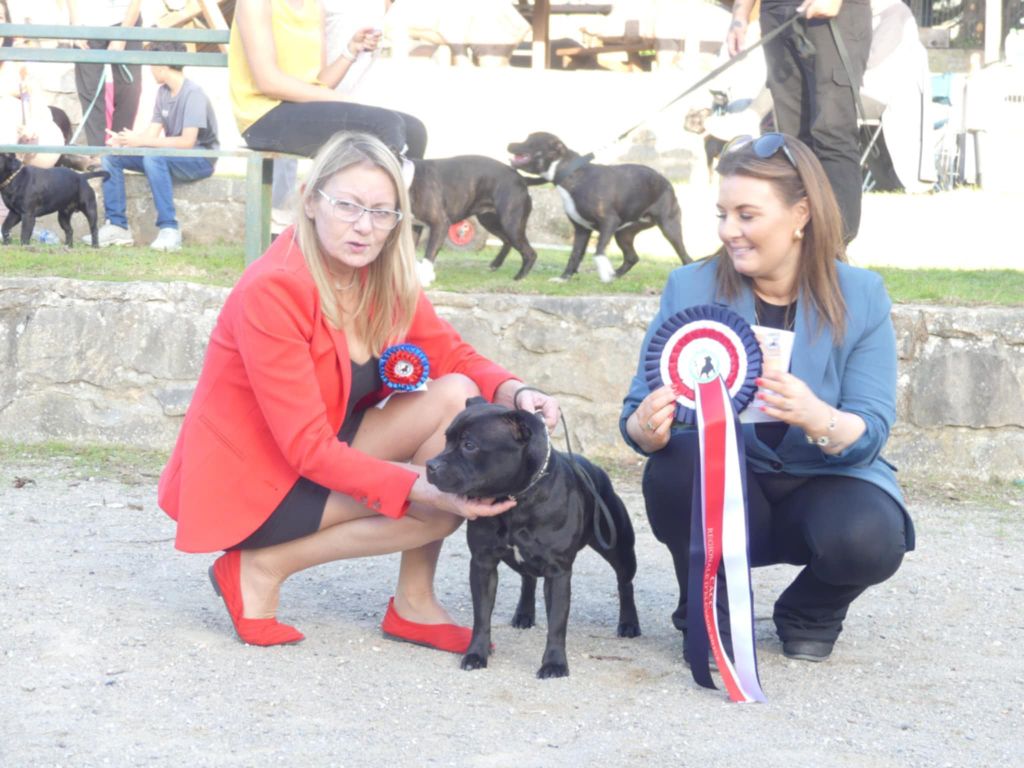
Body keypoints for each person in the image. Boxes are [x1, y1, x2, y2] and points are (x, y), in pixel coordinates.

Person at [157, 132, 560, 650]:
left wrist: (514, 391)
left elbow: (450, 355)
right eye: (347, 206)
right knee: (440, 504)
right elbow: (307, 448)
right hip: (258, 475)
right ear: (310, 200)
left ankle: (414, 604)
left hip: (325, 447)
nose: (365, 226)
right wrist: (427, 488)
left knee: (457, 393)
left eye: (382, 212)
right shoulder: (273, 288)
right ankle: (260, 568)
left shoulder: (378, 274)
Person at [620, 133, 912, 664]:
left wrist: (817, 416)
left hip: (825, 482)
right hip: (729, 484)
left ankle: (810, 612)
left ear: (800, 214)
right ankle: (709, 606)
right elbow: (635, 415)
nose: (728, 230)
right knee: (677, 465)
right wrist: (647, 425)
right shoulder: (689, 286)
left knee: (872, 535)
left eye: (746, 215)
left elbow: (870, 429)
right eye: (722, 214)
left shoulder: (862, 294)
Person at [727, 0, 871, 241]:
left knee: (832, 132)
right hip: (776, 11)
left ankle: (835, 247)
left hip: (832, 14)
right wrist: (740, 13)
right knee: (793, 141)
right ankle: (800, 244)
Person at [229, 0, 427, 171]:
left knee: (414, 130)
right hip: (263, 117)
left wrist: (350, 51)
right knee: (385, 125)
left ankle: (405, 203)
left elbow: (321, 83)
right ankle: (376, 200)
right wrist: (343, 99)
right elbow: (268, 82)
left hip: (301, 110)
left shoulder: (314, 5)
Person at [95, 41, 219, 251]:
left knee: (154, 157)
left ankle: (169, 229)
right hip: (172, 155)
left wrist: (141, 141)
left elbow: (187, 142)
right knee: (111, 157)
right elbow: (151, 135)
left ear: (162, 67)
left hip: (200, 158)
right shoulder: (163, 92)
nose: (150, 70)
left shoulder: (194, 94)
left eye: (151, 65)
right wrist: (125, 141)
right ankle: (117, 225)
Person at [67, 0, 143, 168]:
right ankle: (98, 154)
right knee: (90, 89)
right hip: (87, 22)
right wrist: (76, 26)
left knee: (130, 87)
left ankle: (118, 148)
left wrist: (123, 33)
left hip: (125, 18)